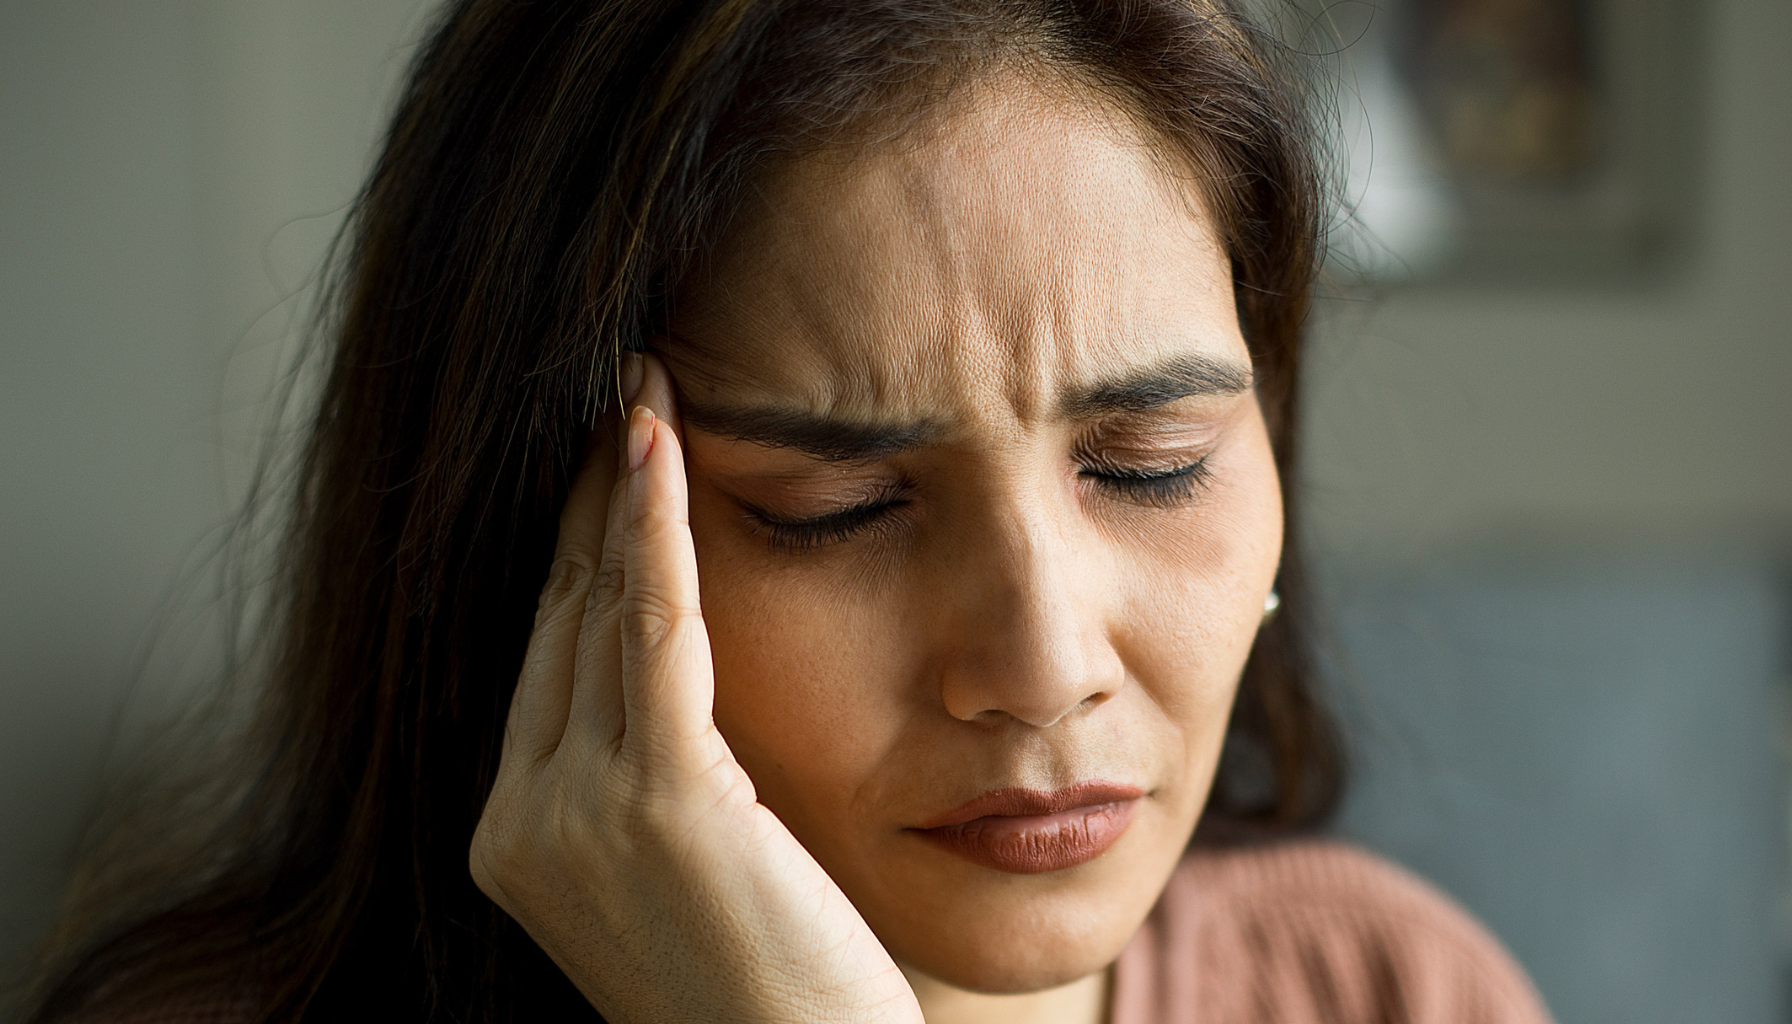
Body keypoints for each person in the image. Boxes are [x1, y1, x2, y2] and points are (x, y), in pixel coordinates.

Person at [24, 1, 1553, 1022]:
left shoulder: (1385, 985)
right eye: (838, 506)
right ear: (548, 546)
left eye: (1152, 462)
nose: (1041, 663)